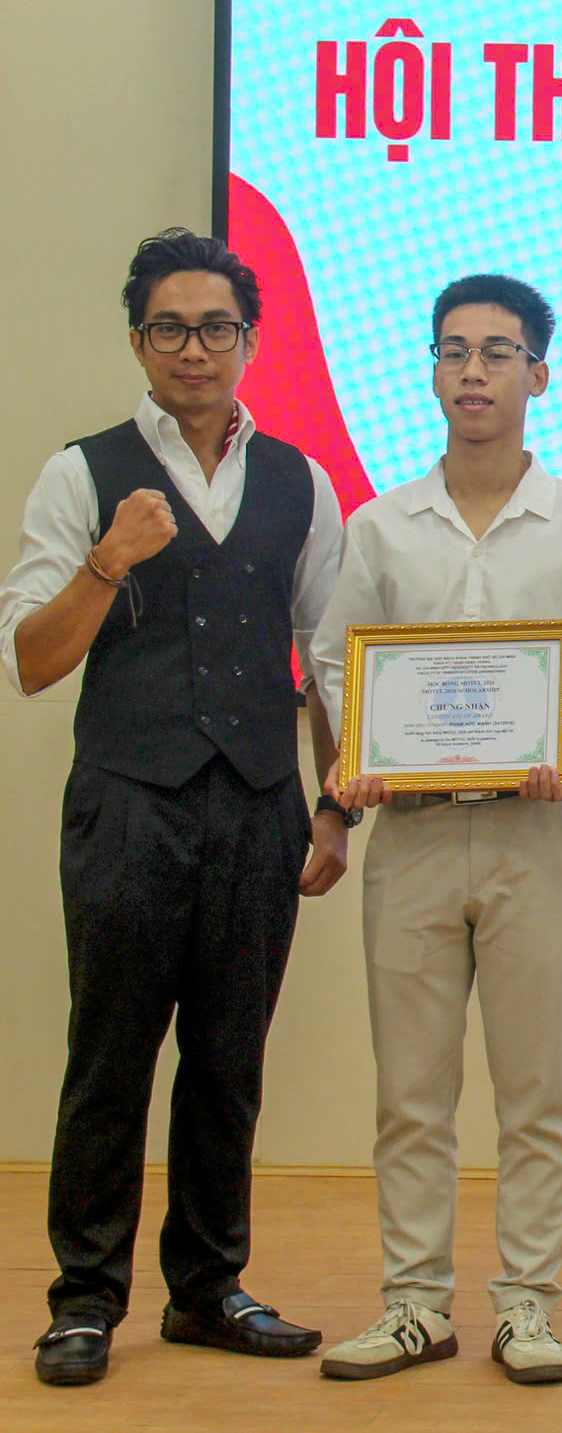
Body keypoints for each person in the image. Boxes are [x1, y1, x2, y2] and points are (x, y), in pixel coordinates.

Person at [5, 229, 346, 1387]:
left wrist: (334, 806)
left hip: (259, 805)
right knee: (109, 1060)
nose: (193, 349)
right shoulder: (82, 473)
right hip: (127, 806)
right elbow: (33, 661)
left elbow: (329, 658)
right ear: (137, 340)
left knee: (228, 1061)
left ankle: (206, 1288)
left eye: (214, 328)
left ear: (249, 340)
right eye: (169, 328)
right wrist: (108, 562)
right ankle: (83, 1301)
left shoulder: (300, 481)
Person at [311, 275, 562, 1387]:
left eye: (497, 352)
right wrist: (361, 748)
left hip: (531, 836)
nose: (472, 372)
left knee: (537, 1089)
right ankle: (414, 1304)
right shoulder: (380, 524)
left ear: (537, 374)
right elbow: (333, 660)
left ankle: (527, 1305)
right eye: (452, 351)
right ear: (433, 371)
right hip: (409, 834)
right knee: (410, 1092)